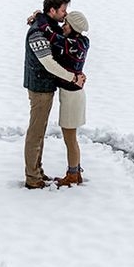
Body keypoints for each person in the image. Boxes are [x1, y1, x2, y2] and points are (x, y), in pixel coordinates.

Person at [23, 0, 85, 189]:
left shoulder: (48, 25)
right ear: (52, 11)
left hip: (46, 86)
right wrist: (73, 78)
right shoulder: (38, 33)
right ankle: (33, 178)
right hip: (40, 87)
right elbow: (48, 63)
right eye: (63, 11)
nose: (65, 16)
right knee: (36, 133)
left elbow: (62, 38)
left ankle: (37, 172)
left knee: (39, 132)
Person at [36, 10, 90, 188]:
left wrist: (39, 16)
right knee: (71, 137)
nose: (63, 26)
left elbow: (50, 33)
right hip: (75, 94)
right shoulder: (82, 41)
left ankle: (73, 174)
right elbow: (58, 34)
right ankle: (76, 171)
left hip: (71, 97)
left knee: (70, 138)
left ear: (73, 28)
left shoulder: (70, 43)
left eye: (66, 23)